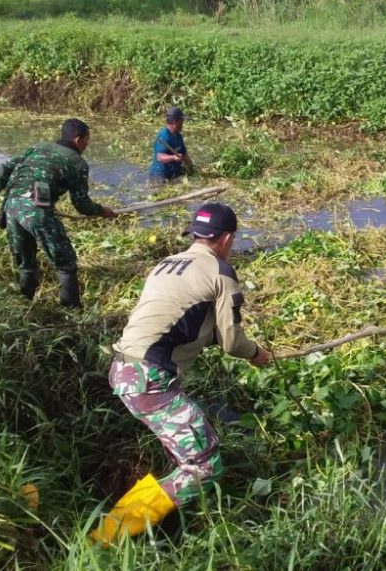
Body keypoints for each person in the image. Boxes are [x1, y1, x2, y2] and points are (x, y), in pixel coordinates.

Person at [91, 202, 271, 546]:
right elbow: (232, 343)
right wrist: (256, 354)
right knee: (204, 467)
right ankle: (107, 537)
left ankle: (165, 521)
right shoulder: (220, 271)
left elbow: (180, 318)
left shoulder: (167, 263)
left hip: (123, 369)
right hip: (150, 381)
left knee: (189, 452)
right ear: (227, 238)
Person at [0, 118, 117, 307]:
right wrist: (102, 211)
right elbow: (81, 204)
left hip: (11, 208)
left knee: (25, 262)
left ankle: (26, 306)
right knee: (66, 262)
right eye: (87, 140)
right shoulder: (77, 163)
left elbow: (4, 169)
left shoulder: (38, 148)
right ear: (78, 140)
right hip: (37, 212)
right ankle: (71, 311)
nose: (87, 145)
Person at [149, 107, 192, 181]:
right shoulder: (164, 136)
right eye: (181, 121)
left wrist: (191, 168)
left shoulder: (179, 136)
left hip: (174, 173)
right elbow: (160, 157)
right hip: (160, 176)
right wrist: (173, 157)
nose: (182, 124)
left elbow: (184, 154)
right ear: (175, 122)